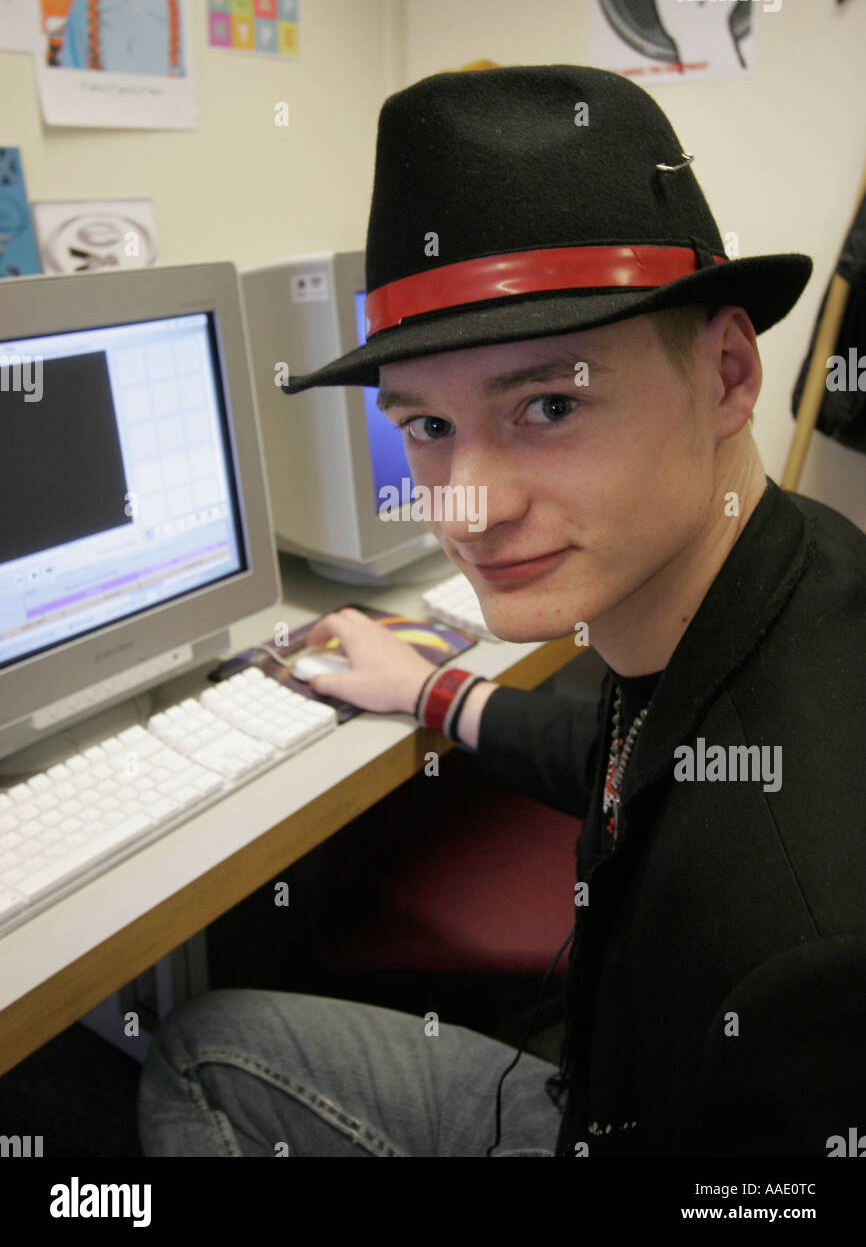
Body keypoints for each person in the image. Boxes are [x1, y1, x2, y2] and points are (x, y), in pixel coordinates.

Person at [137, 65, 866, 1158]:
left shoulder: (792, 943)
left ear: (724, 372)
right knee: (207, 1036)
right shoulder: (771, 575)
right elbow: (635, 753)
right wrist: (431, 689)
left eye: (549, 404)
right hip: (604, 1071)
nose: (469, 507)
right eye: (426, 426)